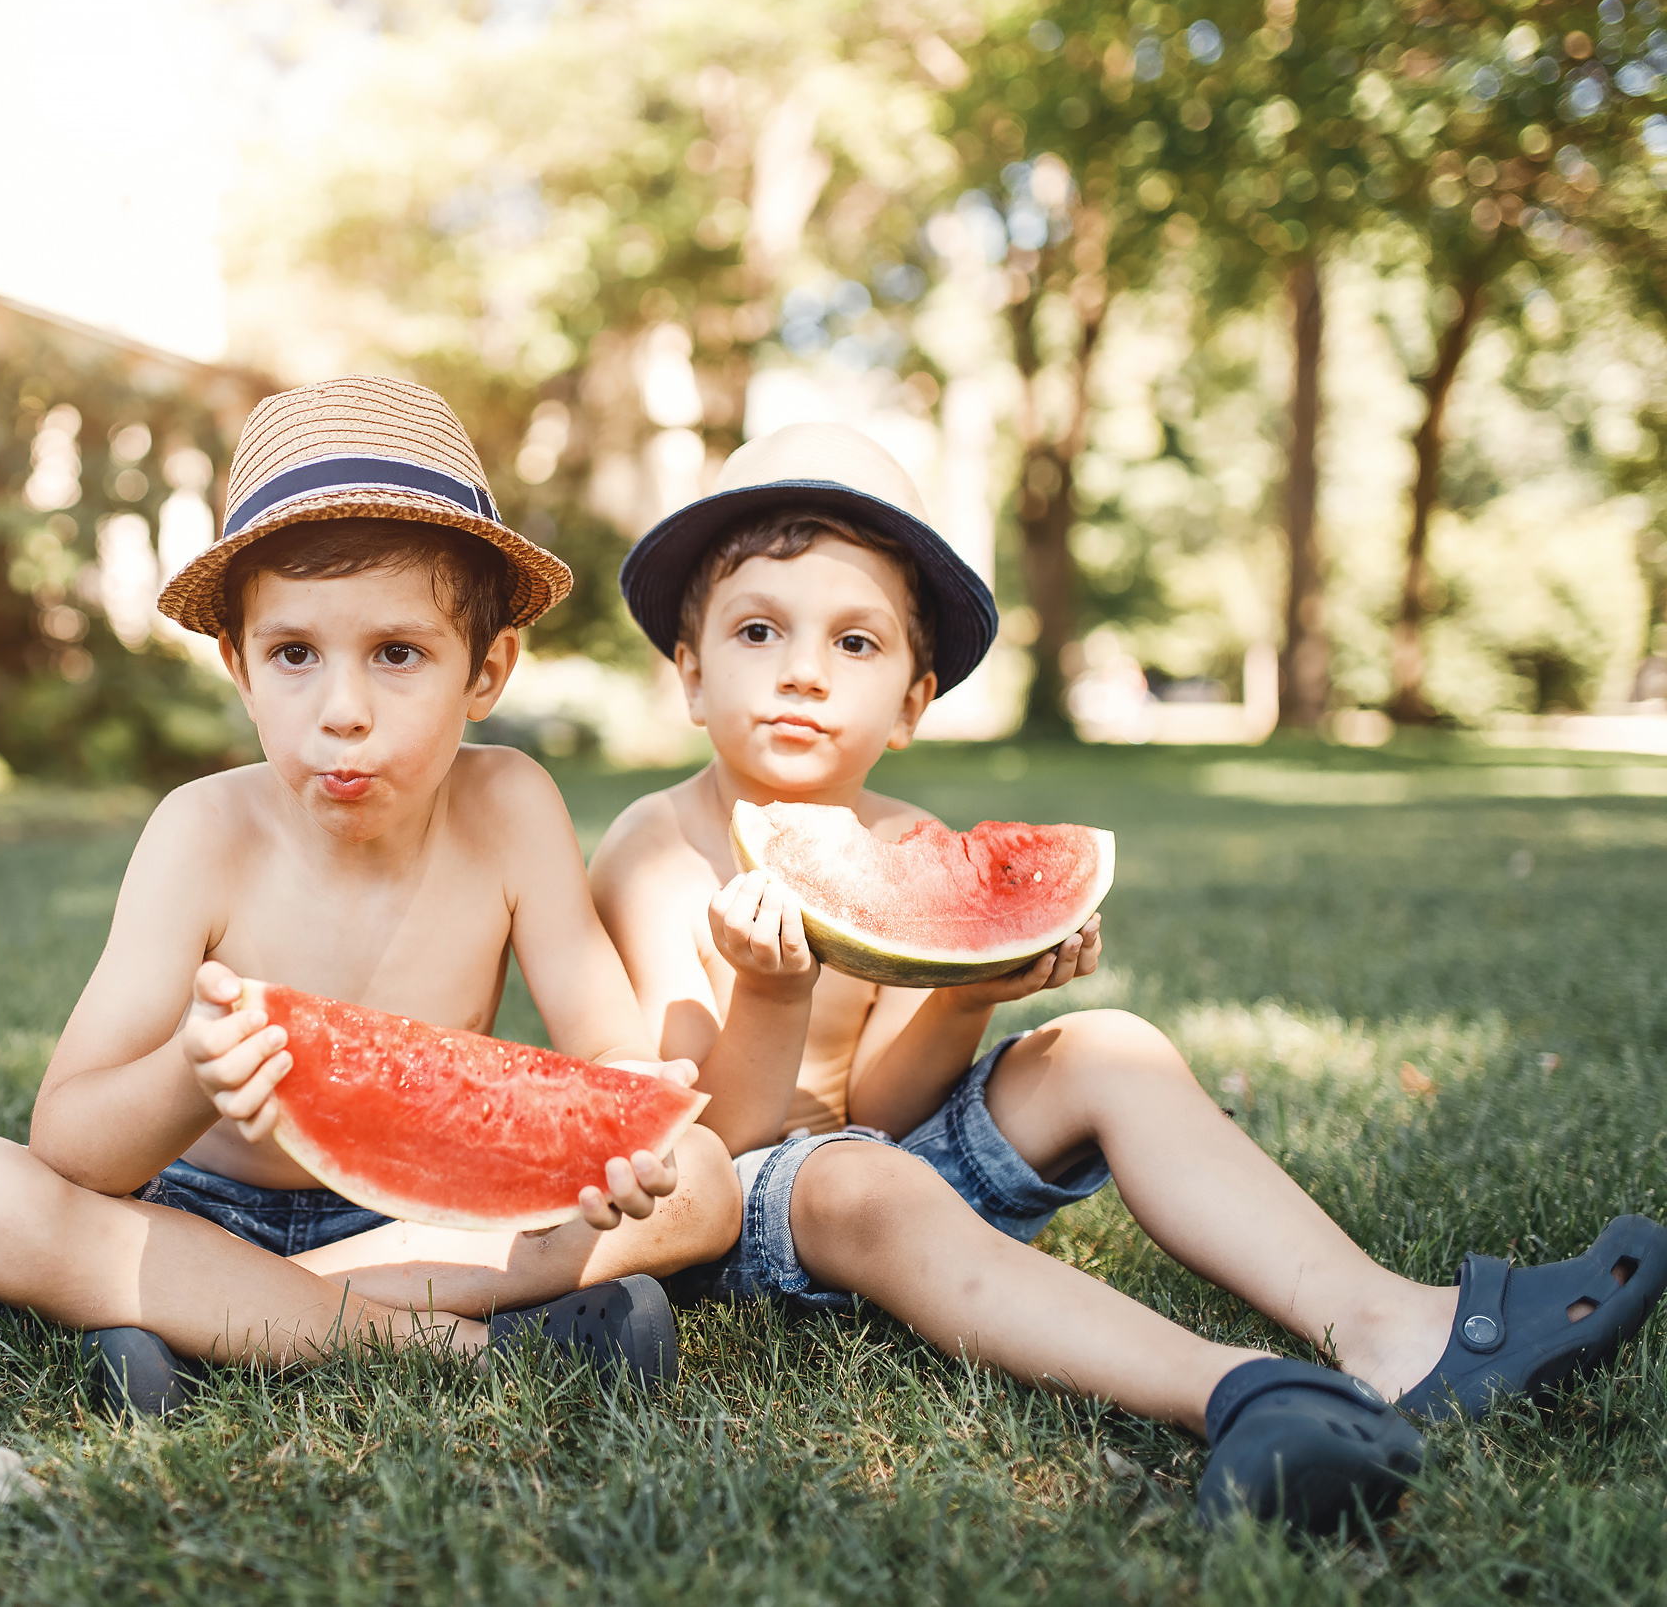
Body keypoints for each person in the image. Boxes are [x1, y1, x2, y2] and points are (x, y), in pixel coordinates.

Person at [588, 422, 1667, 1533]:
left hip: (883, 1166)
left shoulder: (908, 841)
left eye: (856, 642)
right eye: (758, 629)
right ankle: (1237, 1393)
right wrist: (771, 994)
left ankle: (1394, 1329)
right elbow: (700, 1149)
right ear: (691, 672)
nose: (805, 670)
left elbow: (882, 1104)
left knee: (1113, 1045)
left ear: (912, 700)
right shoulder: (656, 848)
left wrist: (969, 993)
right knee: (860, 1178)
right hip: (742, 1219)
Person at [0, 375, 739, 1414]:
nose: (341, 710)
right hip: (200, 1207)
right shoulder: (201, 832)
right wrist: (189, 1075)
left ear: (486, 671)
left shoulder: (512, 806)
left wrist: (624, 1143)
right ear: (239, 667)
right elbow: (69, 1146)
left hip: (427, 1218)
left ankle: (212, 1318)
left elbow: (611, 1052)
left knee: (704, 1176)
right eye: (294, 654)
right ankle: (457, 1349)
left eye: (397, 654)